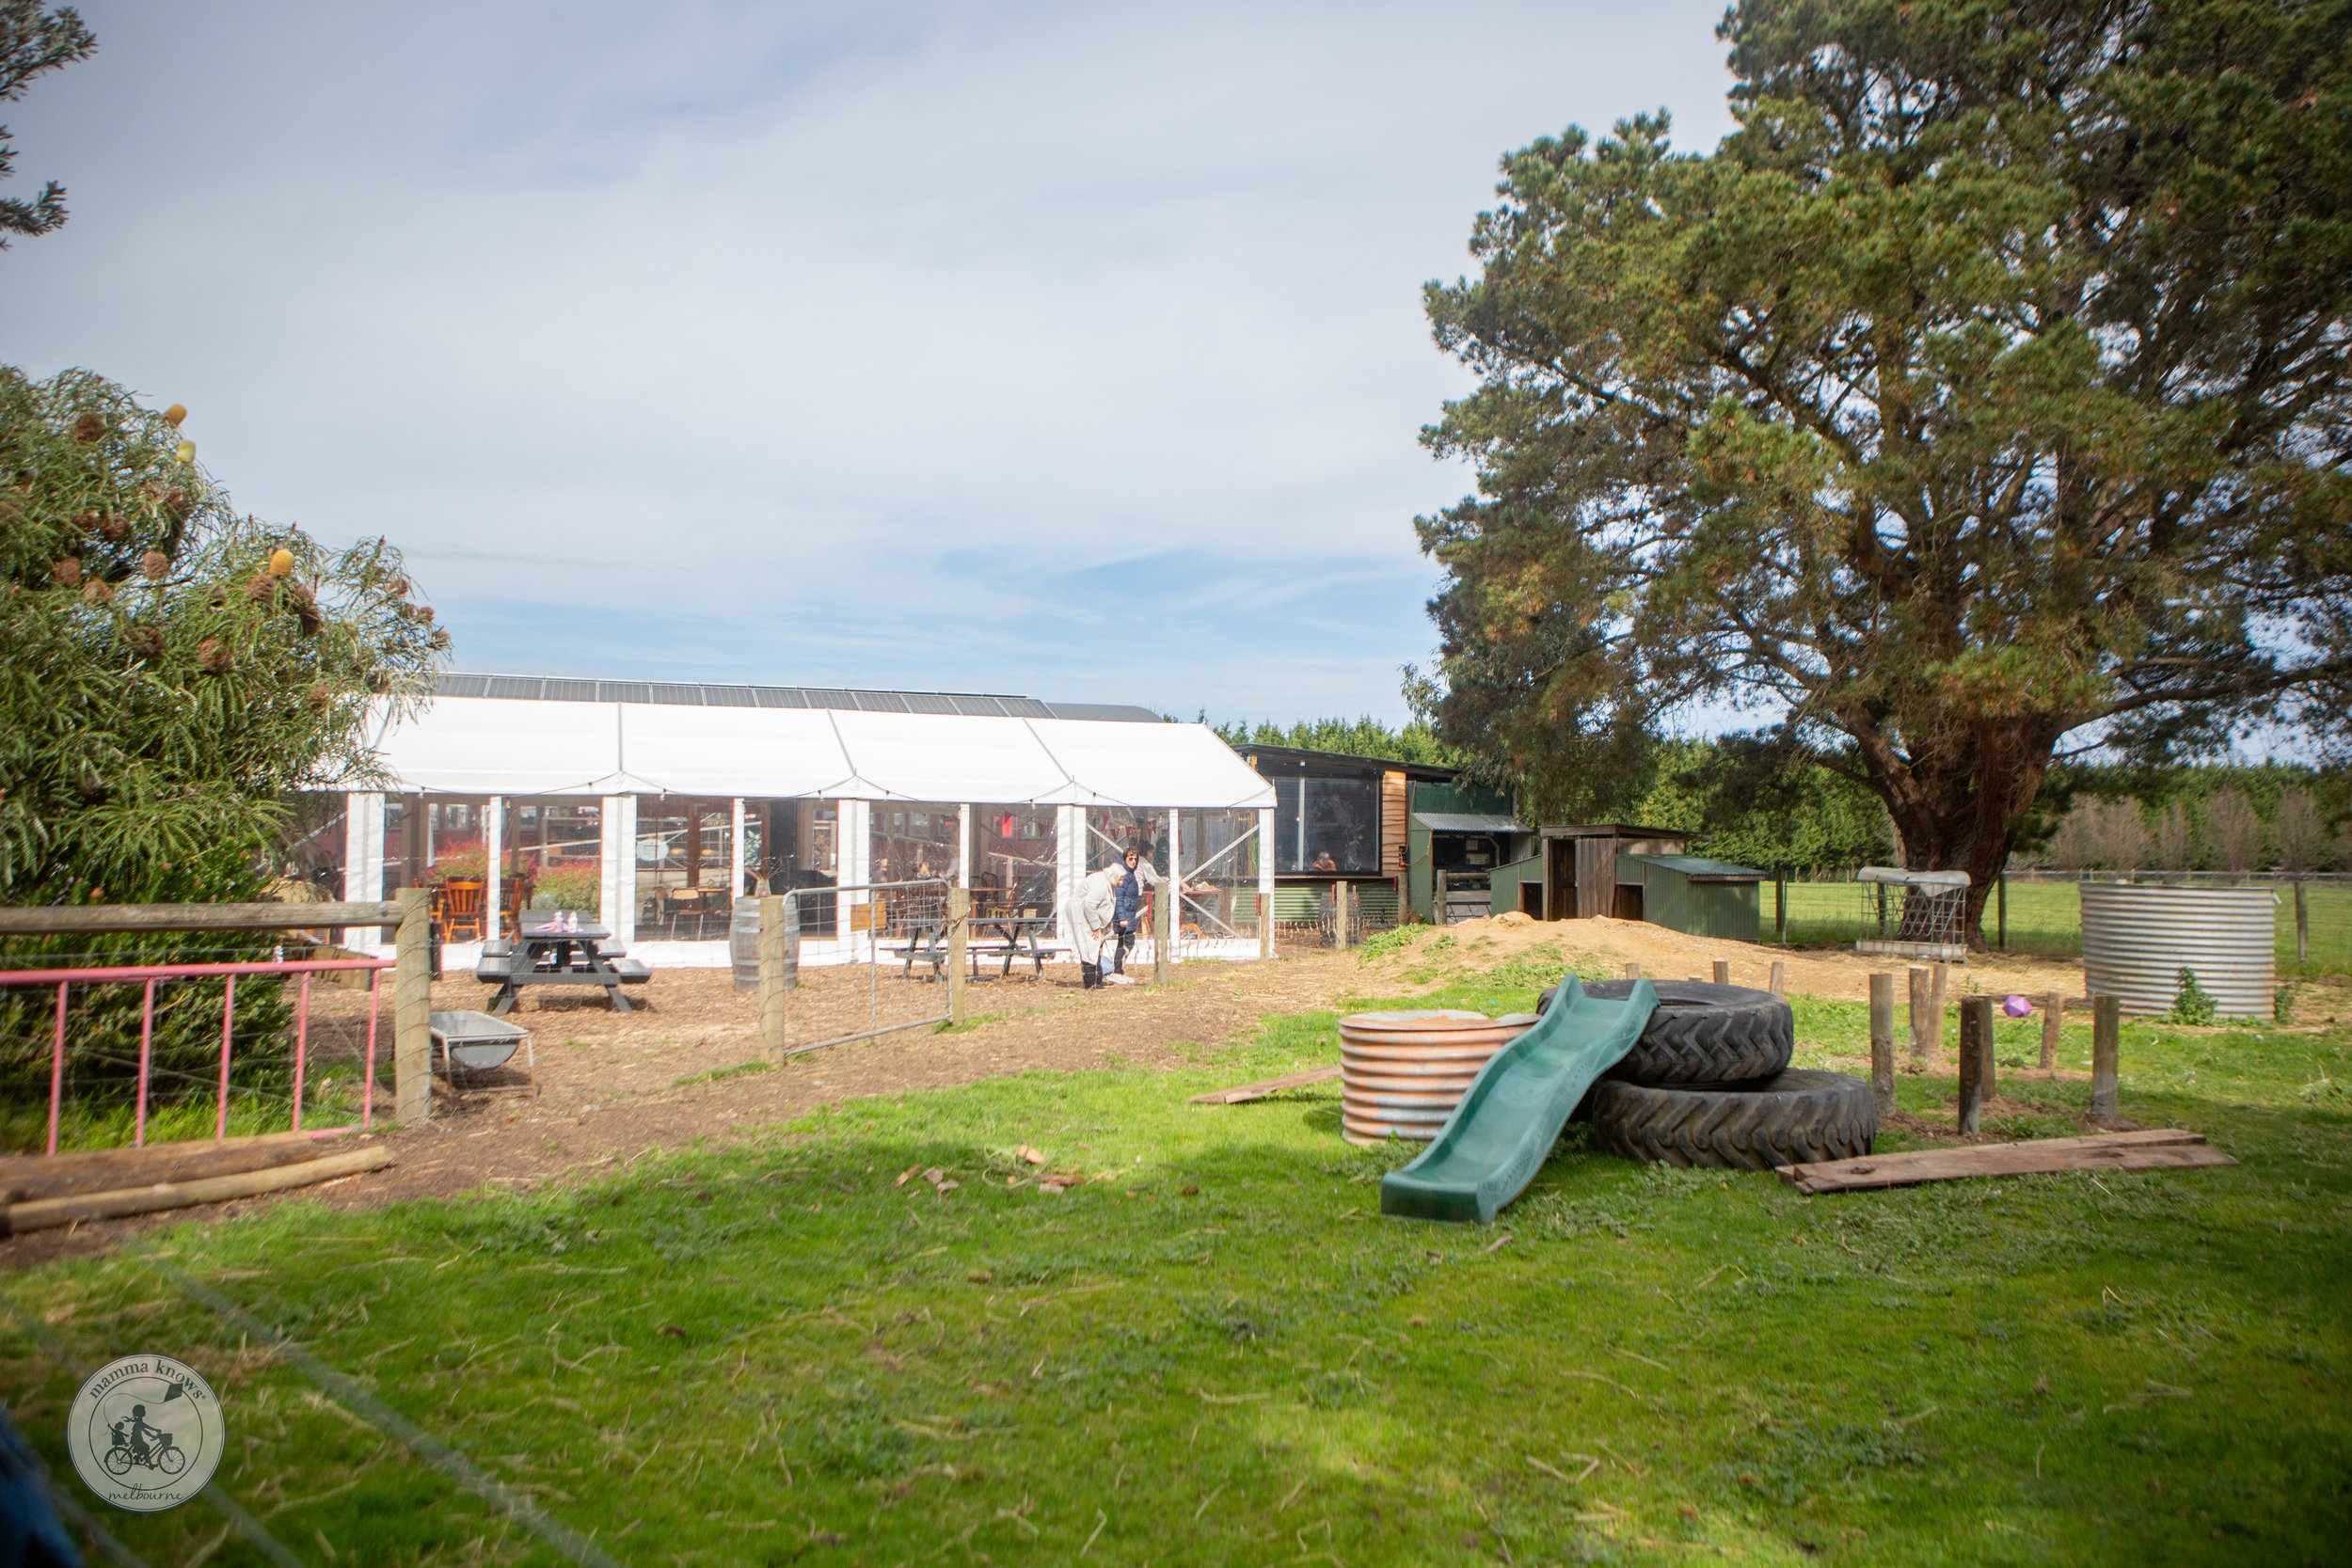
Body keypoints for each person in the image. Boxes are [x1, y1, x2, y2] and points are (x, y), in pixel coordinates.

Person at [1058, 861, 1126, 989]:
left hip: (1086, 916)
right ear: (1114, 876)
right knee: (1089, 947)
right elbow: (1089, 905)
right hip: (1081, 915)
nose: (1121, 883)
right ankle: (1091, 983)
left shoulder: (1106, 881)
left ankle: (1097, 980)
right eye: (1120, 879)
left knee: (1093, 947)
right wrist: (1095, 927)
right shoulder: (1101, 883)